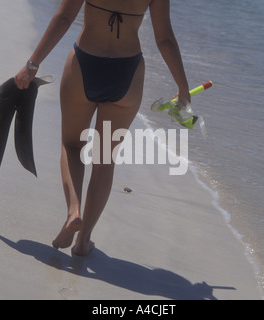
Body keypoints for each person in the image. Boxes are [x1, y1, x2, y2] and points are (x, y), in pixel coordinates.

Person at [14, 0, 190, 256]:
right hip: (127, 73)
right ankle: (84, 241)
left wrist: (32, 65)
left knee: (72, 145)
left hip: (85, 65)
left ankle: (74, 212)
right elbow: (164, 39)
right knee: (105, 159)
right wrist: (182, 87)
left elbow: (64, 18)